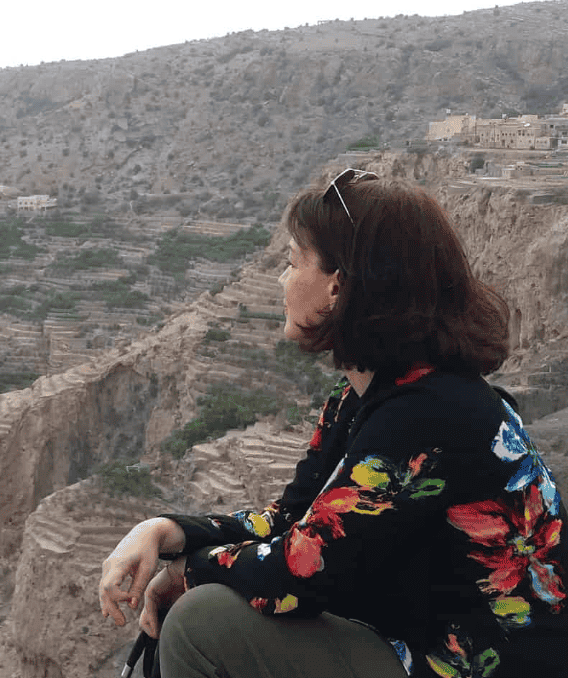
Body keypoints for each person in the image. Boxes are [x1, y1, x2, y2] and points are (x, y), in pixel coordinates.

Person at [98, 169, 567, 678]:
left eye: (293, 262)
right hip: (419, 640)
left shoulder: (425, 416)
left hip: (475, 666)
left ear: (338, 287)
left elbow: (297, 572)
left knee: (201, 623)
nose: (281, 279)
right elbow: (293, 517)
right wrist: (169, 532)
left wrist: (192, 570)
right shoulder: (365, 394)